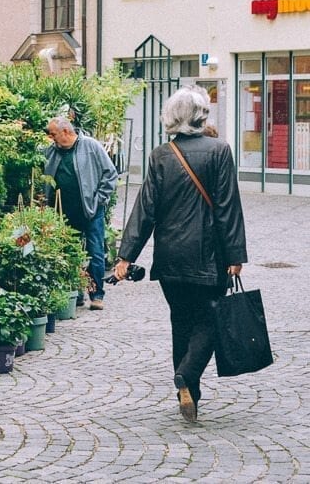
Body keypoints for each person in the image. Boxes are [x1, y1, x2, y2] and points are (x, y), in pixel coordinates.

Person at [113, 85, 247, 421]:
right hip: (209, 256)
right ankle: (187, 376)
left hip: (170, 258)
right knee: (211, 321)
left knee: (182, 323)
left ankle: (188, 393)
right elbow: (228, 209)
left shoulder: (161, 155)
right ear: (202, 115)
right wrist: (235, 255)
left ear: (171, 118)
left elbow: (145, 209)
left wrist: (126, 255)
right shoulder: (220, 151)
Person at [45, 116, 118, 310]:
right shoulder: (52, 151)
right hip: (63, 213)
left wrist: (100, 198)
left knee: (94, 251)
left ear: (66, 132)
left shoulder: (91, 146)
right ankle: (75, 294)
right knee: (69, 253)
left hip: (91, 210)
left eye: (53, 134)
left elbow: (110, 173)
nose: (51, 138)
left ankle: (97, 295)